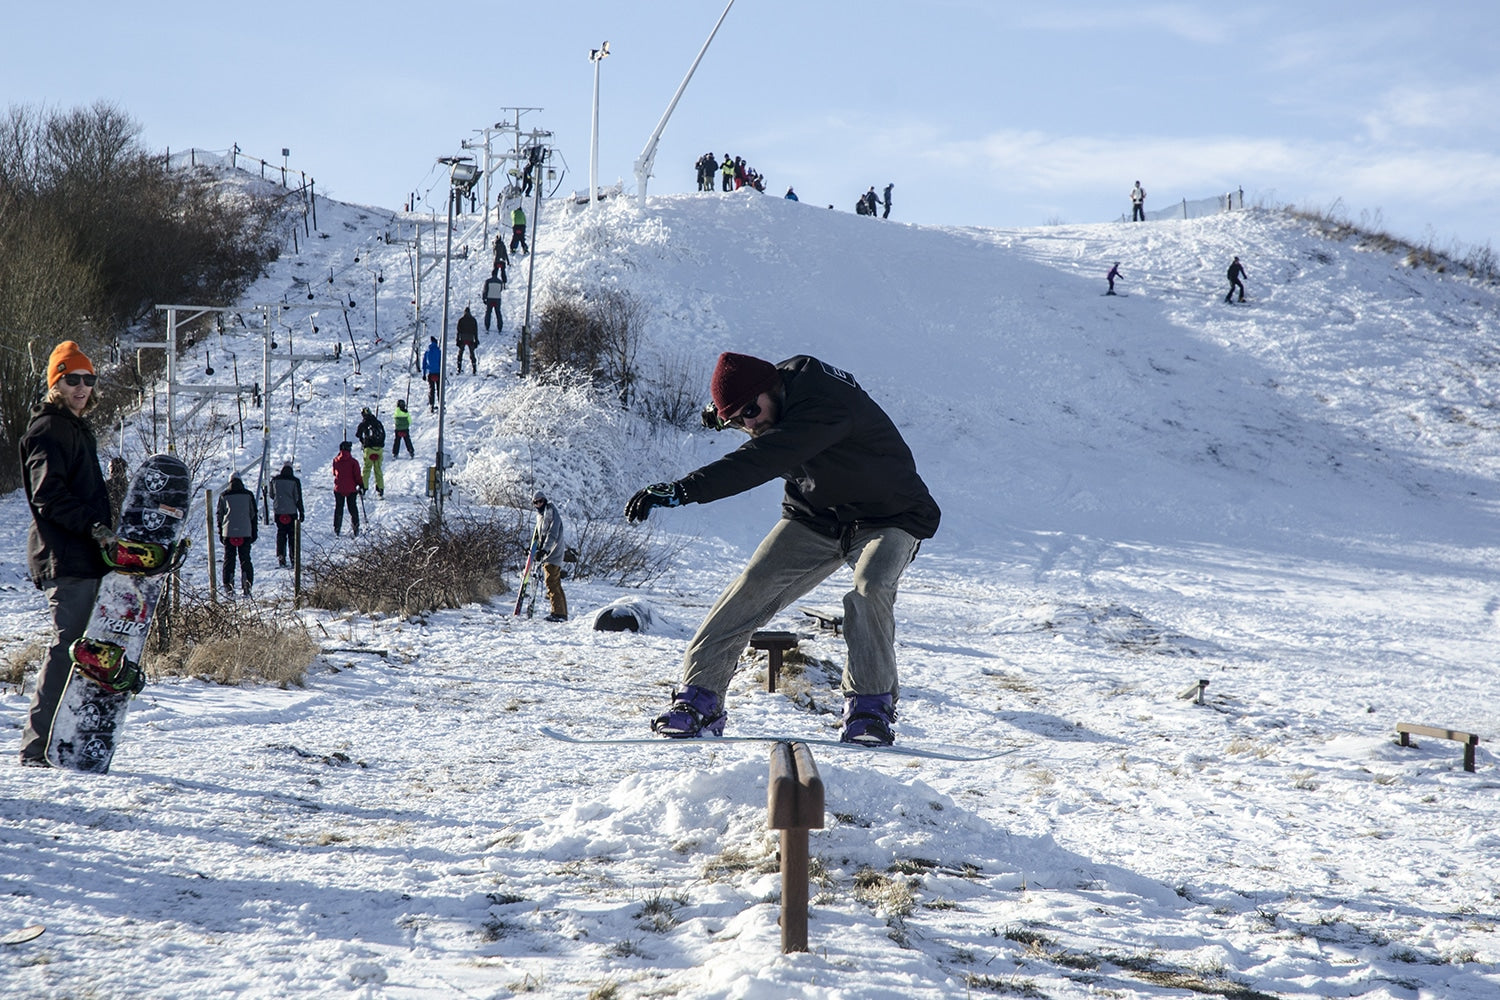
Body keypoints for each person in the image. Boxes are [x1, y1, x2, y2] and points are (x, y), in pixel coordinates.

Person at [625, 352, 941, 746]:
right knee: (751, 585)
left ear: (772, 389)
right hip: (816, 518)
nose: (749, 425)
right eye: (737, 421)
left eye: (751, 412)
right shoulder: (768, 392)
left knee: (870, 587)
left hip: (890, 517)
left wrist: (686, 488)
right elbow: (751, 407)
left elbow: (762, 459)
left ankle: (869, 707)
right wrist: (725, 412)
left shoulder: (826, 404)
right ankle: (699, 698)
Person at [18, 341, 112, 767]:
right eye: (71, 379)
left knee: (81, 651)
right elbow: (47, 495)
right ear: (56, 382)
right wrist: (93, 527)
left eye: (88, 380)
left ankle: (63, 742)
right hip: (65, 556)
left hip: (86, 555)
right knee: (67, 648)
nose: (82, 387)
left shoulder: (75, 428)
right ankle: (35, 748)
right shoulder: (48, 430)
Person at [216, 474, 258, 596]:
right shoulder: (248, 495)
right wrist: (253, 532)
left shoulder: (224, 496)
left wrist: (221, 532)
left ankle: (228, 585)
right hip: (245, 532)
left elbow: (220, 515)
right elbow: (253, 515)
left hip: (228, 532)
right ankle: (247, 584)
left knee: (229, 560)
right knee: (245, 559)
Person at [531, 491, 569, 622]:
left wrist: (545, 550)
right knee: (556, 583)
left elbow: (552, 534)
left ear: (545, 500)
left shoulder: (551, 513)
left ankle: (557, 613)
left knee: (551, 582)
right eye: (535, 502)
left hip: (553, 553)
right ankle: (562, 613)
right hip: (549, 553)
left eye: (540, 501)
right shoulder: (540, 516)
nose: (538, 504)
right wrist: (534, 549)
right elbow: (540, 535)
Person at [269, 462, 304, 568]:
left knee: (281, 533)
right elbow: (298, 498)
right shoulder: (295, 481)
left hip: (279, 511)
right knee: (292, 535)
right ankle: (293, 557)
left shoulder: (275, 480)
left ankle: (281, 555)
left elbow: (271, 495)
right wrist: (301, 511)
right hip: (291, 511)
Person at [332, 441, 363, 537]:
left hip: (339, 488)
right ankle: (355, 528)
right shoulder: (353, 462)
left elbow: (334, 473)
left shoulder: (336, 460)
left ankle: (337, 528)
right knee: (353, 508)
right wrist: (361, 485)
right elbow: (357, 476)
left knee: (339, 508)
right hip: (351, 489)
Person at [355, 406, 386, 497]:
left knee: (367, 469)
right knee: (378, 469)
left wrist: (363, 440)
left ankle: (363, 488)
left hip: (369, 449)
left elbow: (358, 434)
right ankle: (380, 488)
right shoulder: (378, 423)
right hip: (379, 449)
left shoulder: (364, 424)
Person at [455, 306, 479, 375]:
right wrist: (476, 340)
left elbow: (458, 331)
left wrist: (457, 340)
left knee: (460, 354)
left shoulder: (461, 320)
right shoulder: (473, 320)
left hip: (463, 338)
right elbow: (475, 331)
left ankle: (459, 368)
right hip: (470, 338)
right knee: (472, 354)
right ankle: (474, 369)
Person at [483, 263, 506, 332]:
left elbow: (485, 290)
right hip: (497, 299)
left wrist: (484, 298)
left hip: (490, 298)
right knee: (498, 313)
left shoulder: (488, 281)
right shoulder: (500, 282)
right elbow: (501, 290)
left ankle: (487, 326)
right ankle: (500, 326)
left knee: (488, 313)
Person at [422, 336, 442, 412]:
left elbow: (424, 364)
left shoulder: (427, 352)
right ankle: (441, 403)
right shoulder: (439, 351)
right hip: (438, 373)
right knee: (439, 389)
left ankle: (431, 405)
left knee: (431, 389)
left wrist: (424, 374)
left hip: (430, 373)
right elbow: (441, 362)